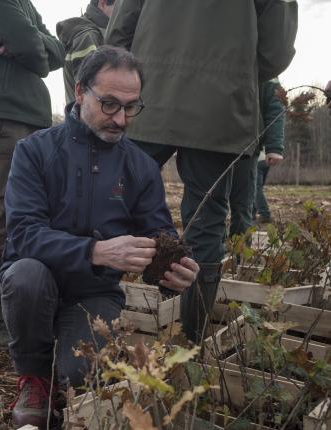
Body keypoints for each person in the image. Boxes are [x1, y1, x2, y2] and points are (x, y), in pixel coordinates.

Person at [0, 46, 199, 429]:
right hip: (37, 280)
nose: (121, 119)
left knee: (81, 377)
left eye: (131, 107)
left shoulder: (139, 166)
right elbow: (23, 234)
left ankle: (64, 372)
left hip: (93, 294)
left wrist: (173, 272)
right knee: (25, 275)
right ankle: (34, 378)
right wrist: (94, 250)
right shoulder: (35, 151)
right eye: (109, 104)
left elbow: (158, 236)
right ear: (80, 93)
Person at [106, 0, 298, 343]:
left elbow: (118, 32)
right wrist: (230, 70)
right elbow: (275, 53)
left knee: (112, 203)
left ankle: (94, 325)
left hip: (150, 97)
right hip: (220, 106)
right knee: (207, 223)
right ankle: (190, 342)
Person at [0, 0, 64, 349]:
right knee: (5, 214)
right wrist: (30, 45)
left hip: (33, 119)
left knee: (36, 216)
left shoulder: (26, 4)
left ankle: (24, 308)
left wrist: (32, 42)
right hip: (3, 116)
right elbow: (33, 50)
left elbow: (55, 51)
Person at [229, 79, 285, 234]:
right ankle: (210, 254)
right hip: (212, 146)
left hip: (250, 151)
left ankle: (239, 253)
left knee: (247, 199)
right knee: (213, 203)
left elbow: (275, 107)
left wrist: (274, 146)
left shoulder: (264, 65)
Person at [56, 0, 116, 105]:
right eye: (119, 6)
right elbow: (90, 92)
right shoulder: (88, 36)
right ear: (103, 3)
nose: (122, 13)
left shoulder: (95, 33)